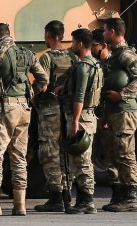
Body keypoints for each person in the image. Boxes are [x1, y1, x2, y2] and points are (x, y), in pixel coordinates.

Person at [0, 23, 49, 217]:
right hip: (24, 109)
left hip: (2, 108)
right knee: (19, 158)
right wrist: (31, 94)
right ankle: (19, 205)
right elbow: (43, 79)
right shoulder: (26, 53)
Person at [100, 17, 137, 213]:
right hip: (112, 112)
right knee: (112, 153)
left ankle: (131, 197)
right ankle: (118, 194)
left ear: (112, 32)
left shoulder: (126, 55)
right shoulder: (114, 55)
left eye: (104, 31)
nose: (102, 34)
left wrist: (122, 94)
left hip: (124, 111)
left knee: (125, 153)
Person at [33, 20, 77, 213]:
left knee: (49, 152)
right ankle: (67, 193)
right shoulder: (73, 56)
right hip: (68, 111)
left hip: (50, 111)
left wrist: (33, 98)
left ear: (49, 35)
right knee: (65, 153)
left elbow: (42, 84)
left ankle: (55, 197)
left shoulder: (47, 58)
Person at [60, 29, 103, 214]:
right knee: (82, 159)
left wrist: (75, 121)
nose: (70, 46)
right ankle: (84, 200)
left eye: (72, 42)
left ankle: (86, 201)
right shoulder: (95, 64)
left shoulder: (83, 67)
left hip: (82, 117)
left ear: (79, 44)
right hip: (89, 115)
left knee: (82, 160)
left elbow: (80, 96)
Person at [91, 28, 119, 206]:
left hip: (109, 117)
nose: (92, 48)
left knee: (113, 157)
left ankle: (118, 194)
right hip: (100, 116)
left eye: (94, 45)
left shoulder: (111, 65)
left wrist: (107, 117)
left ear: (102, 46)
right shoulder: (99, 66)